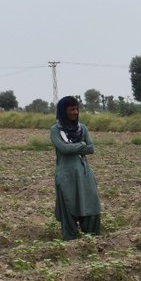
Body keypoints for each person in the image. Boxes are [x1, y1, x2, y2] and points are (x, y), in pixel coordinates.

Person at [50, 95, 101, 240]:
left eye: (77, 109)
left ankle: (92, 238)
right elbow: (63, 149)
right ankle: (71, 241)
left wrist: (76, 147)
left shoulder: (82, 128)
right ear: (63, 111)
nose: (76, 112)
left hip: (84, 175)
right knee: (69, 207)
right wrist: (82, 145)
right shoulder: (55, 130)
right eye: (72, 109)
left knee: (91, 205)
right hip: (66, 176)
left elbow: (91, 148)